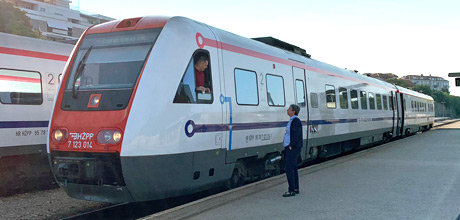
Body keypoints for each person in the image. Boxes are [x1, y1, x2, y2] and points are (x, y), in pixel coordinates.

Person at [282, 104, 303, 197]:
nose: (287, 110)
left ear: (293, 111)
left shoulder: (295, 121)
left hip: (293, 148)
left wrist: (291, 145)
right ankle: (295, 188)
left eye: (289, 109)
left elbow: (296, 134)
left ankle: (291, 190)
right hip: (292, 147)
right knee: (293, 167)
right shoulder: (293, 120)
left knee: (289, 168)